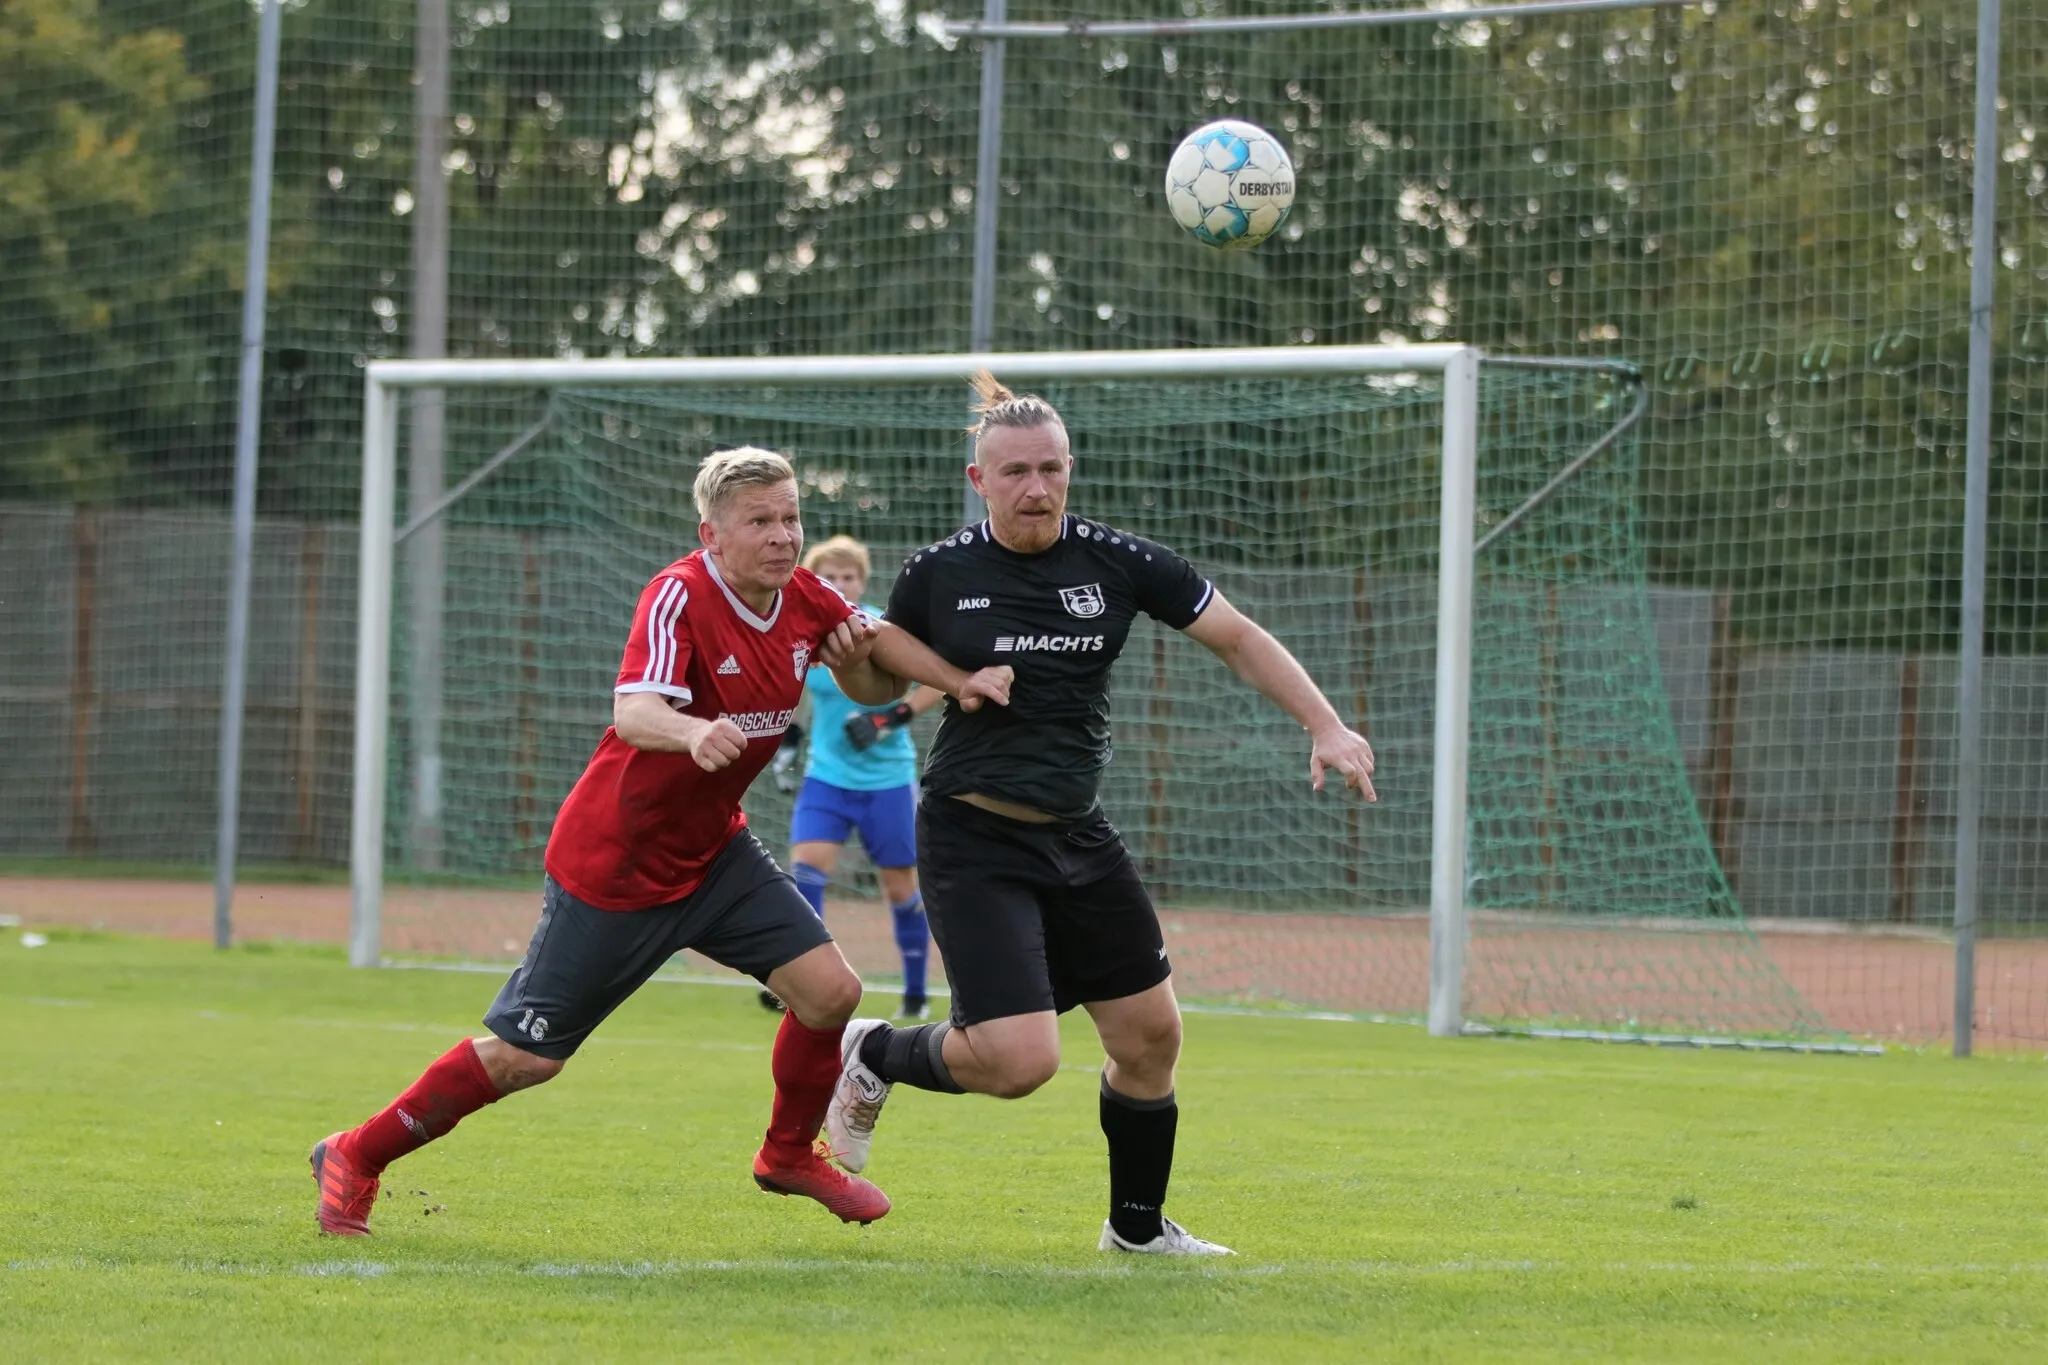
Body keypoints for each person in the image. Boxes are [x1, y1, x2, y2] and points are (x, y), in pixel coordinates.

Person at [308, 447, 1012, 1237]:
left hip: (714, 854)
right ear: (711, 534)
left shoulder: (802, 595)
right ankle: (355, 1154)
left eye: (790, 517)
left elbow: (875, 642)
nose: (783, 535)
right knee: (528, 1058)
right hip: (616, 866)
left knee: (830, 992)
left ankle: (787, 1155)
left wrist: (959, 681)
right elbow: (634, 711)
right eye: (761, 521)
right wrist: (693, 731)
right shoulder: (678, 594)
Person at [822, 374, 1376, 1256]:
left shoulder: (1119, 561)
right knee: (1019, 1063)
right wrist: (851, 659)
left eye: (1050, 468)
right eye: (1014, 472)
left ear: (1071, 468)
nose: (1035, 487)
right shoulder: (939, 571)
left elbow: (1237, 637)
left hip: (1078, 832)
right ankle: (875, 1050)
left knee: (1151, 1036)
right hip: (974, 834)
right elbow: (879, 679)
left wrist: (1326, 724)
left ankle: (1137, 1230)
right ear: (978, 479)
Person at [761, 536, 945, 1020]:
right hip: (827, 778)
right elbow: (800, 691)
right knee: (805, 873)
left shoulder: (879, 629)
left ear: (862, 582)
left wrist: (889, 718)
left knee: (900, 890)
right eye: (830, 576)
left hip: (887, 781)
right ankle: (800, 985)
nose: (840, 584)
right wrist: (789, 741)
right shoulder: (802, 632)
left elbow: (938, 679)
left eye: (849, 577)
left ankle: (915, 992)